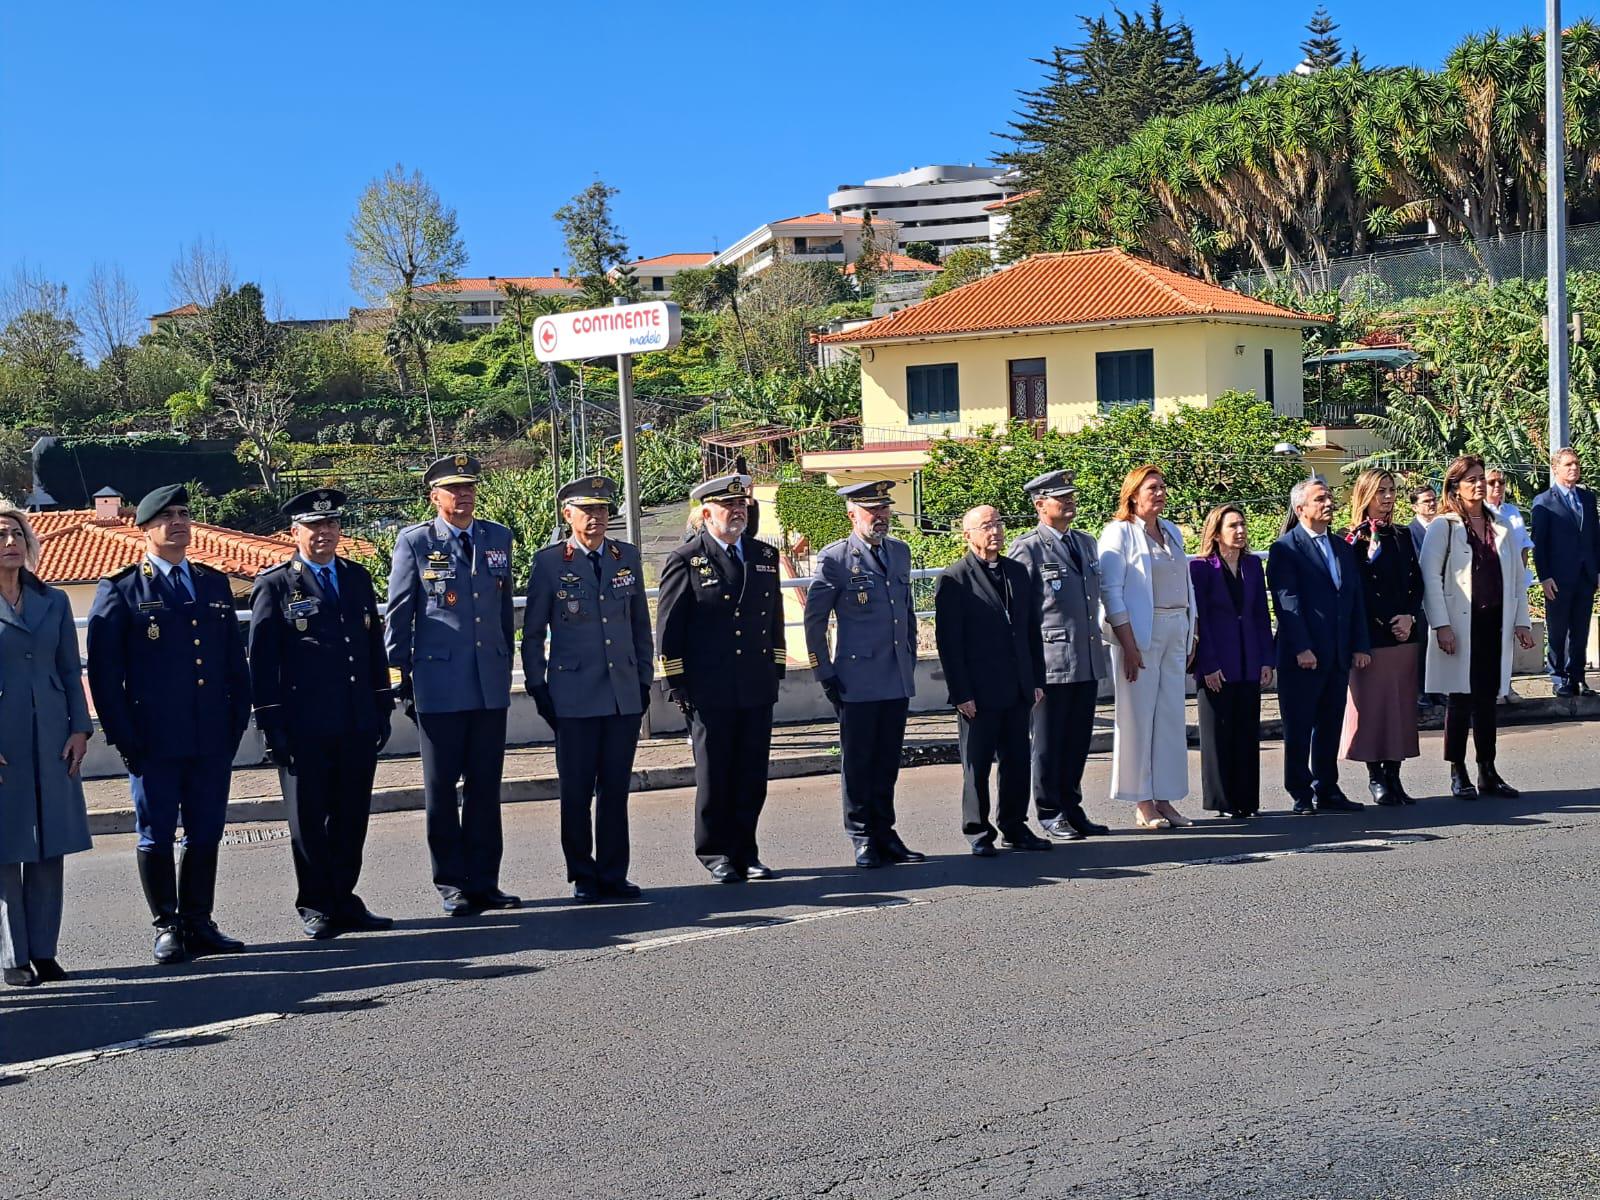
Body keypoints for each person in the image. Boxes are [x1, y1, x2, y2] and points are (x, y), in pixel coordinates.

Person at [87, 484, 251, 964]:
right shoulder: (120, 588)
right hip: (153, 739)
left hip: (210, 736)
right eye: (166, 517)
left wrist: (237, 720)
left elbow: (232, 663)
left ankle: (199, 920)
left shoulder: (212, 583)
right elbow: (104, 673)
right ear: (145, 528)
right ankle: (166, 924)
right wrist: (124, 738)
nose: (178, 523)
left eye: (184, 514)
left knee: (206, 831)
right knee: (155, 833)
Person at [248, 489, 394, 940]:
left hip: (355, 719)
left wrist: (381, 704)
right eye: (314, 527)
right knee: (309, 820)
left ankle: (344, 897)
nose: (324, 533)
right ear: (295, 533)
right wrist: (271, 723)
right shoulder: (276, 585)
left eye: (330, 525)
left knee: (352, 815)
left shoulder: (355, 577)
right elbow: (261, 659)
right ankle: (315, 902)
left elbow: (371, 648)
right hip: (304, 724)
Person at [385, 454, 519, 917]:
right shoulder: (416, 543)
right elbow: (399, 614)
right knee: (442, 790)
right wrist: (398, 680)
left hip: (489, 684)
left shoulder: (497, 537)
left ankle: (485, 881)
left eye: (469, 488)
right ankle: (451, 884)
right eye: (453, 489)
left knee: (485, 787)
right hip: (438, 685)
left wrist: (506, 663)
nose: (463, 495)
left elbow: (502, 614)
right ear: (434, 496)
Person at [522, 476, 653, 903]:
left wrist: (645, 679)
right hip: (573, 694)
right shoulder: (549, 563)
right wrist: (538, 686)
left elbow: (639, 626)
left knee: (615, 789)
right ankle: (582, 873)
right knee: (576, 791)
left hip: (621, 693)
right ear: (568, 515)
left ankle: (614, 873)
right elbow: (533, 632)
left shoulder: (625, 556)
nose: (596, 519)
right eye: (587, 511)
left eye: (602, 511)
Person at [656, 473, 786, 883]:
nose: (737, 513)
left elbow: (775, 619)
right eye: (728, 507)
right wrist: (678, 684)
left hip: (754, 683)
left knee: (751, 774)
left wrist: (776, 670)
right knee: (715, 775)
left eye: (741, 506)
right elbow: (670, 628)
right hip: (708, 687)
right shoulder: (686, 559)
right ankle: (715, 852)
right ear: (706, 513)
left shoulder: (764, 555)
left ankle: (746, 850)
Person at [802, 480, 924, 869]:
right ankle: (862, 836)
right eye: (872, 511)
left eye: (885, 509)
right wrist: (824, 671)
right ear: (852, 514)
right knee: (858, 762)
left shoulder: (900, 552)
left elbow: (906, 611)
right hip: (856, 677)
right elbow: (814, 620)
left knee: (888, 760)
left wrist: (911, 656)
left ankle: (885, 832)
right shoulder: (836, 558)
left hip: (895, 674)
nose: (881, 517)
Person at [0, 507, 90, 986]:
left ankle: (45, 951)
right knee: (4, 848)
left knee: (48, 844)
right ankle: (15, 958)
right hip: (3, 739)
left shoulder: (51, 599)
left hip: (52, 736)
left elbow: (69, 670)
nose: (10, 540)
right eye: (0, 535)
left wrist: (79, 728)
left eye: (16, 532)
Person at [934, 506, 1049, 856]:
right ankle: (978, 831)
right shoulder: (955, 579)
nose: (995, 531)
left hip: (1017, 687)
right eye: (986, 526)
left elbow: (1031, 631)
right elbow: (949, 644)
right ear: (967, 535)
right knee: (977, 764)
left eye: (998, 523)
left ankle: (1014, 826)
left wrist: (1037, 679)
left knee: (1017, 761)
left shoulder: (1017, 572)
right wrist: (960, 692)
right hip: (978, 692)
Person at [1422, 455, 1536, 798]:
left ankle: (1488, 768)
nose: (1478, 484)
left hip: (1494, 623)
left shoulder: (1501, 524)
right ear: (1455, 485)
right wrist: (1441, 625)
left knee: (1488, 699)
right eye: (1470, 479)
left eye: (1482, 478)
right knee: (1460, 699)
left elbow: (1516, 577)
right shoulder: (1445, 526)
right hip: (1459, 624)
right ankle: (1458, 770)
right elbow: (1430, 576)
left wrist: (1522, 621)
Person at [1008, 469, 1109, 841]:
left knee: (1078, 739)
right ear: (1040, 504)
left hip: (1085, 654)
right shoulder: (1028, 547)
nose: (1069, 503)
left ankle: (1072, 805)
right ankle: (1050, 811)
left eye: (1071, 496)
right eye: (1060, 498)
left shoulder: (1085, 542)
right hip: (1050, 660)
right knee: (1049, 743)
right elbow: (1020, 612)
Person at [1097, 466, 1198, 831]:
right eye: (1151, 487)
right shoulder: (1118, 533)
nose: (1159, 493)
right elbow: (1111, 591)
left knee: (1170, 718)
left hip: (1176, 627)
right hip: (1141, 632)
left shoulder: (1170, 530)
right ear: (1133, 494)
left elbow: (1185, 582)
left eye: (1162, 487)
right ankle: (1142, 801)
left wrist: (1192, 633)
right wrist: (1128, 643)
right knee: (1138, 718)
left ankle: (1165, 798)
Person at [1268, 477, 1372, 815]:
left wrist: (1359, 645)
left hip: (1338, 652)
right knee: (1299, 725)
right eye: (1319, 499)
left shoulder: (1341, 546)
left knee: (1329, 725)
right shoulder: (1286, 548)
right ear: (1300, 509)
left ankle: (1327, 787)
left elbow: (1354, 599)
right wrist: (1302, 647)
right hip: (1304, 656)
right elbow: (1288, 603)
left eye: (1328, 497)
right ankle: (1300, 791)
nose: (1328, 503)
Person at [1338, 470, 1424, 806]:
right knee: (1373, 710)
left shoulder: (1402, 535)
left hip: (1404, 634)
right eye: (1380, 492)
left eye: (1391, 491)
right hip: (1372, 635)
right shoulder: (1352, 538)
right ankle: (1376, 777)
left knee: (1400, 708)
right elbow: (1355, 590)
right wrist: (1382, 622)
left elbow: (1416, 581)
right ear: (1365, 495)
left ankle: (1394, 774)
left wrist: (1408, 616)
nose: (1387, 498)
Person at [1188, 505, 1274, 819]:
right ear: (1217, 532)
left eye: (1242, 524)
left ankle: (1247, 800)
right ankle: (1222, 801)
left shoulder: (1252, 565)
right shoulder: (1201, 568)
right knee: (1218, 735)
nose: (1240, 531)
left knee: (1247, 733)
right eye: (1233, 526)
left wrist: (1266, 658)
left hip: (1248, 660)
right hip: (1217, 663)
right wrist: (1207, 665)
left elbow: (1260, 615)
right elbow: (1201, 620)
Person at [1531, 447, 1600, 697]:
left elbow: (1595, 538)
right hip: (1558, 578)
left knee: (1581, 630)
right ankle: (1559, 677)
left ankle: (1578, 677)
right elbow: (1539, 544)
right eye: (1568, 464)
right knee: (1558, 629)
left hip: (1585, 576)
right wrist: (1544, 576)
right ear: (1556, 468)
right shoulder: (1545, 502)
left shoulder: (1587, 499)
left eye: (1576, 464)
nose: (1574, 468)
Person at [1410, 485, 1442, 709]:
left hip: (1443, 596)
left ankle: (1437, 690)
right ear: (1415, 506)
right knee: (1422, 649)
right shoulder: (1410, 532)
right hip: (1421, 600)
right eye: (1426, 501)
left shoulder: (1442, 528)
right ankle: (1421, 692)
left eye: (1433, 499)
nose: (1431, 504)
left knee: (1439, 649)